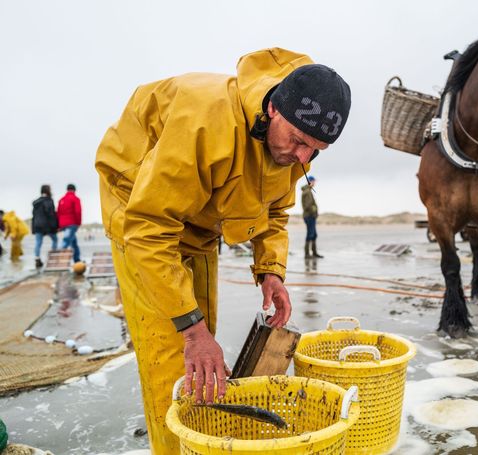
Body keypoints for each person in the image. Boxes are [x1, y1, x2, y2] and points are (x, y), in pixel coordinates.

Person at [94, 47, 351, 453]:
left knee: (204, 349)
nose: (302, 158)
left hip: (201, 221)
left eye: (315, 150)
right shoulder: (204, 121)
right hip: (139, 213)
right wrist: (192, 332)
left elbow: (277, 211)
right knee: (176, 359)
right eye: (299, 141)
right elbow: (149, 228)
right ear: (272, 109)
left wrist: (271, 271)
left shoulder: (289, 150)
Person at [32, 184, 59, 268]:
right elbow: (51, 214)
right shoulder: (49, 200)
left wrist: (33, 227)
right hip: (47, 225)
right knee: (55, 239)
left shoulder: (36, 202)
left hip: (37, 225)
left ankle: (37, 258)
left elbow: (34, 215)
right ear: (48, 191)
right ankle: (53, 256)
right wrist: (55, 226)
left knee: (38, 243)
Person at [57, 183, 82, 263]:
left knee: (74, 242)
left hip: (63, 224)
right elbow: (78, 212)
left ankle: (77, 259)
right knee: (66, 240)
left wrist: (59, 225)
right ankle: (58, 258)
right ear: (74, 190)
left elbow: (58, 213)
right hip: (72, 223)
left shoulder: (61, 200)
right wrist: (78, 223)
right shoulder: (75, 199)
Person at [301, 175, 323, 258]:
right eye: (314, 181)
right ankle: (307, 254)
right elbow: (308, 206)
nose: (315, 183)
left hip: (310, 216)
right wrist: (314, 211)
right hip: (309, 216)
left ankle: (314, 253)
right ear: (310, 181)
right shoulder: (307, 192)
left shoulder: (308, 191)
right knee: (310, 234)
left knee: (313, 234)